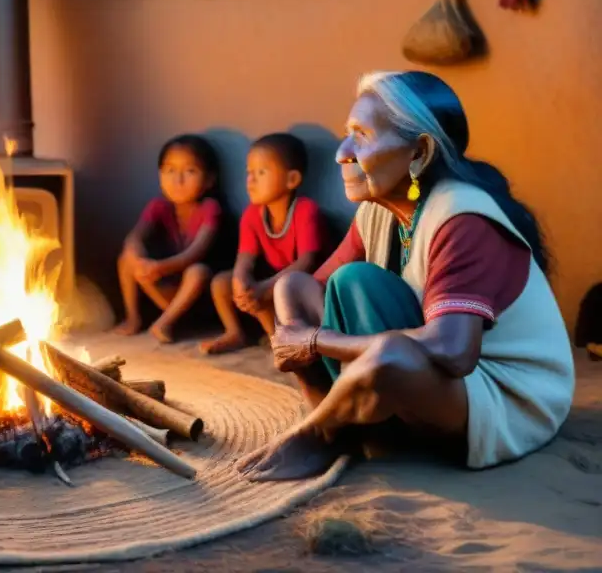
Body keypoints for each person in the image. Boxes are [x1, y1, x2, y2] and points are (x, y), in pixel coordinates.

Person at [237, 71, 574, 481]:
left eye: (360, 137)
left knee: (389, 350)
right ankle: (335, 413)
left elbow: (453, 351)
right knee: (303, 286)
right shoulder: (378, 210)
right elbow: (313, 290)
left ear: (419, 153)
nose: (342, 152)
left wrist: (312, 340)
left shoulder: (463, 217)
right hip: (429, 378)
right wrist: (294, 331)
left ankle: (322, 434)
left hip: (496, 398)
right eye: (347, 134)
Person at [201, 133, 324, 355]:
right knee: (222, 283)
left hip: (298, 286)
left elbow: (307, 261)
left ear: (292, 180)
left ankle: (280, 339)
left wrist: (265, 287)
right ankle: (237, 332)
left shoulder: (306, 210)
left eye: (261, 172)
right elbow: (245, 258)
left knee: (270, 290)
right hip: (267, 283)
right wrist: (241, 281)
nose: (251, 180)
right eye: (249, 173)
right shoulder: (252, 215)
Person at [116, 134, 222, 343]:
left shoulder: (211, 209)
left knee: (197, 272)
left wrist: (161, 267)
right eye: (170, 170)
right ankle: (133, 318)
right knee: (126, 258)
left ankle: (165, 323)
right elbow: (134, 238)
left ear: (209, 179)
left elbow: (194, 254)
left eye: (189, 171)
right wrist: (138, 259)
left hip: (196, 299)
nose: (178, 180)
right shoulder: (159, 207)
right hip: (166, 289)